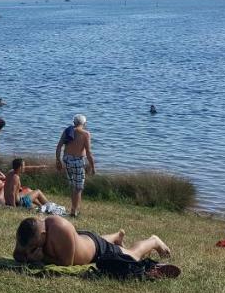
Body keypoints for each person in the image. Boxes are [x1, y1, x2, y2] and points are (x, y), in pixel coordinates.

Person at [13, 215, 171, 267]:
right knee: (91, 241)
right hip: (84, 240)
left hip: (97, 250)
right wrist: (23, 252)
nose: (30, 251)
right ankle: (117, 236)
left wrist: (41, 259)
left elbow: (67, 264)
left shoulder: (60, 228)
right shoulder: (28, 230)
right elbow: (18, 254)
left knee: (133, 256)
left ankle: (153, 241)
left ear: (42, 235)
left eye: (34, 246)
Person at [55, 114, 95, 218]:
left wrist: (58, 160)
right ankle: (74, 211)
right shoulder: (85, 134)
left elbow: (59, 146)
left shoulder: (67, 130)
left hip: (67, 159)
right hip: (77, 161)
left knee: (73, 186)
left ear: (74, 122)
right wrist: (93, 166)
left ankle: (74, 209)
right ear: (84, 123)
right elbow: (89, 152)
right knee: (79, 187)